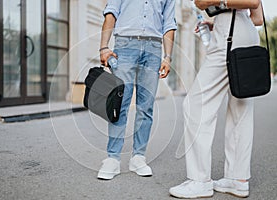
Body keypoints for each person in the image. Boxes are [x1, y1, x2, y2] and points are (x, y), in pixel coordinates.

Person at [169, 0, 263, 198]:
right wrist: (218, 21)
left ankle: (199, 180)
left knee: (196, 104)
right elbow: (257, 18)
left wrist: (217, 3)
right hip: (243, 34)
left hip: (229, 39)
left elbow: (250, 2)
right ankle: (237, 179)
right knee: (240, 110)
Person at [97, 0, 177, 180]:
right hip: (125, 45)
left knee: (146, 106)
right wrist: (103, 47)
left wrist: (167, 57)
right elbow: (111, 12)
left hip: (154, 48)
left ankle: (138, 157)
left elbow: (169, 23)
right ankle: (113, 159)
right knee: (120, 104)